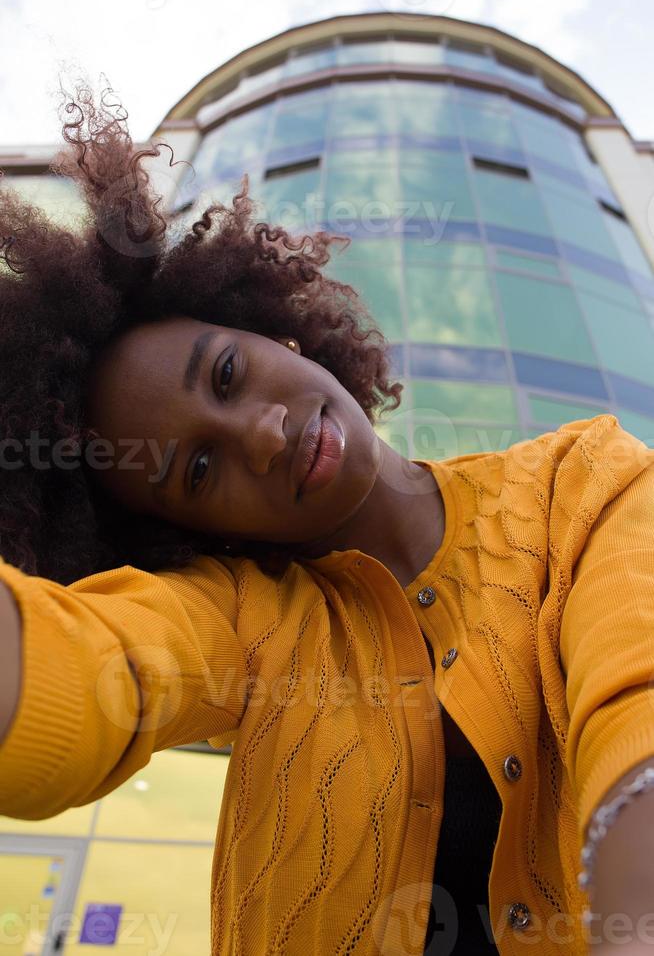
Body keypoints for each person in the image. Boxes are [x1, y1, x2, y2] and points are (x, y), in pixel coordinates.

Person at [0, 81, 653, 956]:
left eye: (227, 374)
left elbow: (638, 688)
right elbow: (80, 672)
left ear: (275, 331)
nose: (262, 436)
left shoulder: (580, 480)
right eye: (198, 469)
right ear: (193, 532)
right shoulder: (241, 613)